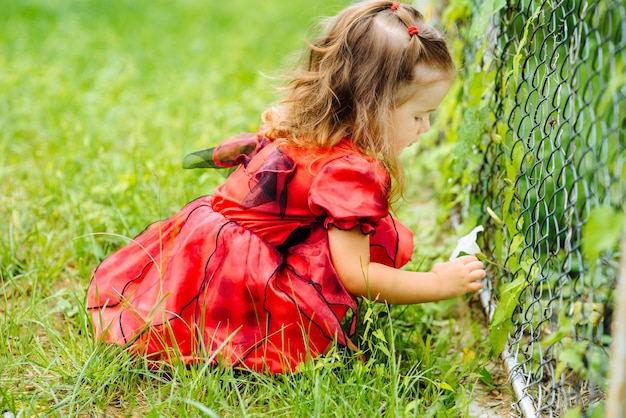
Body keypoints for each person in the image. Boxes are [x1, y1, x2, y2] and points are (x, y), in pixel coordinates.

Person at [87, 0, 486, 373]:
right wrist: (437, 283)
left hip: (203, 239)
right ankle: (237, 321)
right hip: (230, 272)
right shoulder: (351, 171)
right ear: (373, 106)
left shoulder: (308, 126)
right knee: (277, 326)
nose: (426, 128)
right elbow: (358, 275)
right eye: (420, 115)